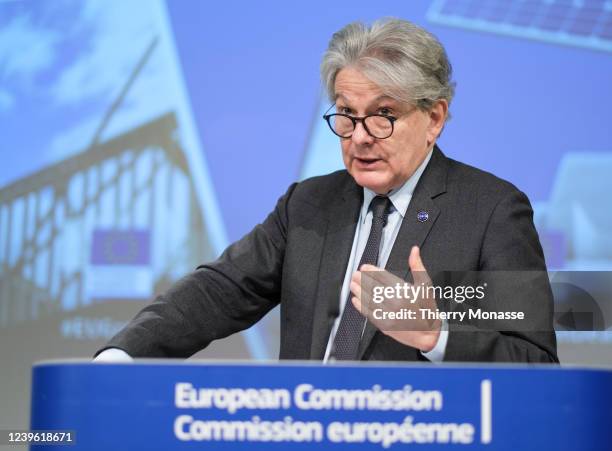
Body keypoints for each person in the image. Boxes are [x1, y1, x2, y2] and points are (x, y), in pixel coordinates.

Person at [95, 18, 558, 364]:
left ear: (434, 118)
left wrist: (436, 335)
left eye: (383, 115)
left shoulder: (491, 210)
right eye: (346, 114)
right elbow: (220, 290)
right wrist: (121, 357)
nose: (359, 136)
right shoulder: (308, 205)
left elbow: (535, 363)